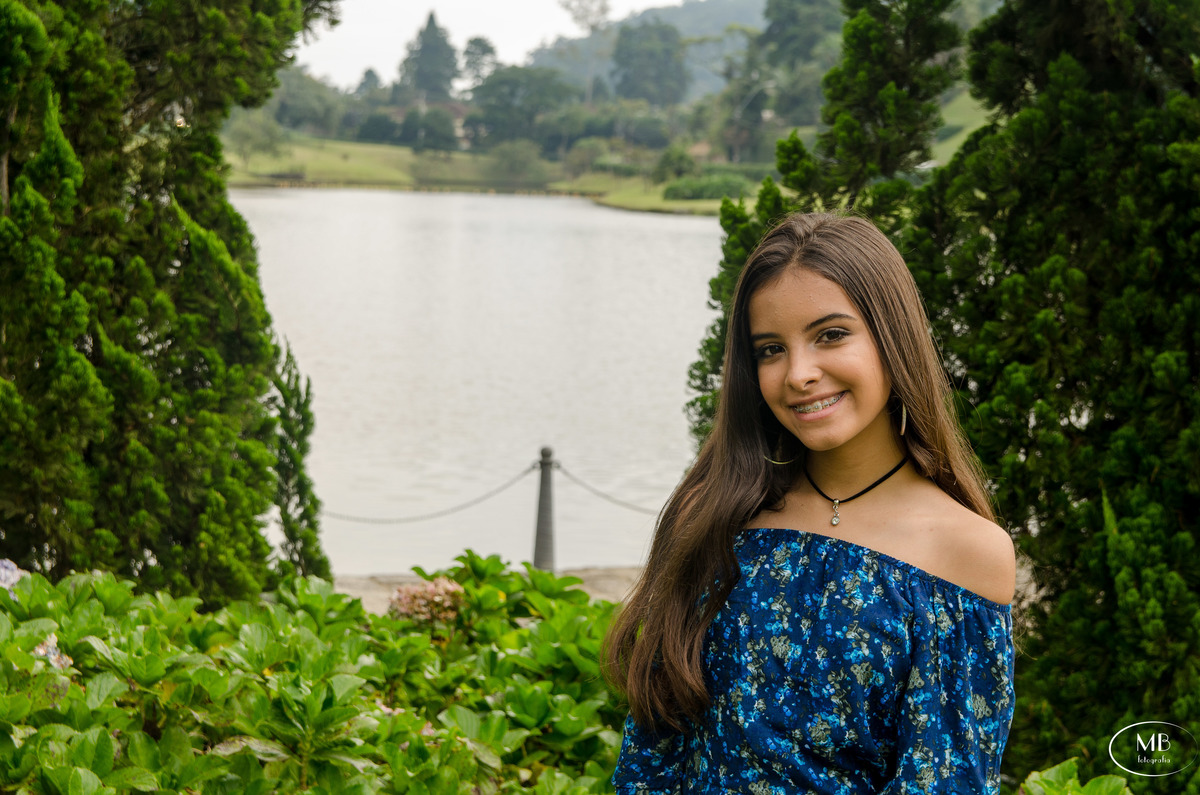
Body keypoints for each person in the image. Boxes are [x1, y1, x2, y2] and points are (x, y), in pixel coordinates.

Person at [603, 212, 1016, 794]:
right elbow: (653, 750)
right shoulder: (719, 514)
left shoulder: (964, 552)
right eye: (771, 349)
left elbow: (945, 782)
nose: (798, 374)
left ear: (891, 336)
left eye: (830, 335)